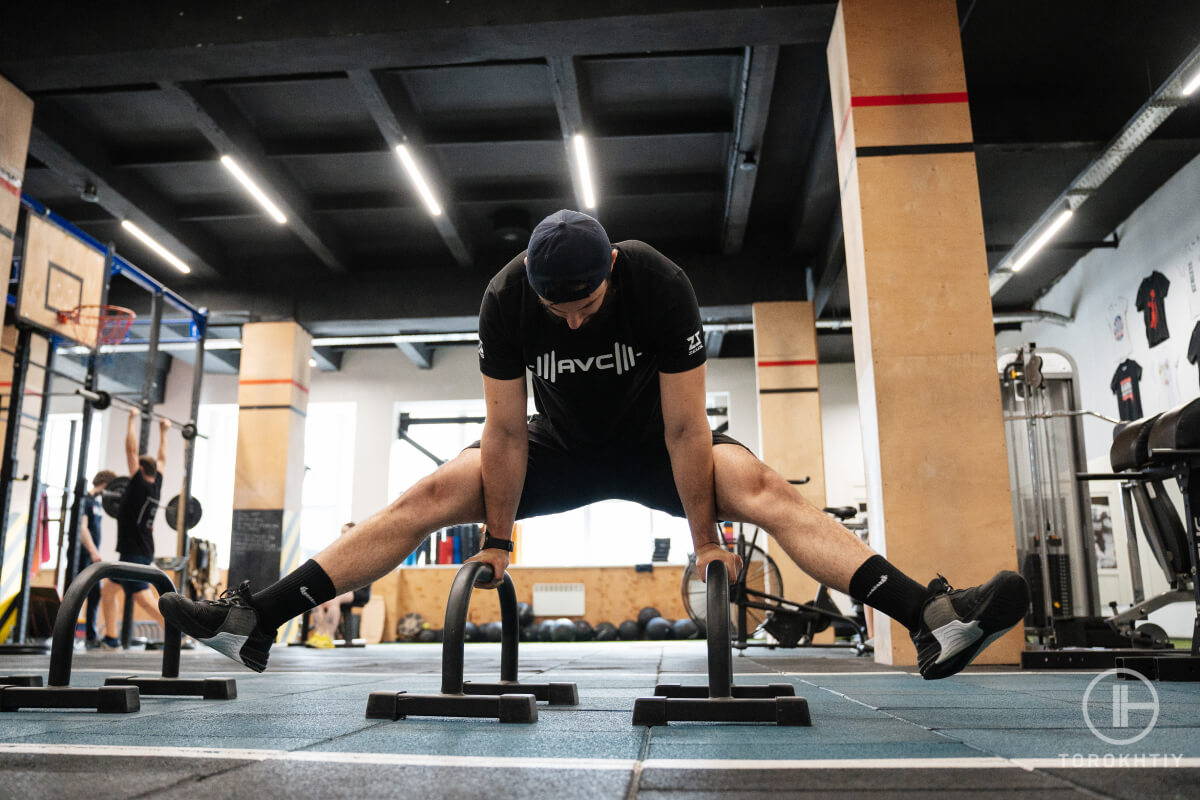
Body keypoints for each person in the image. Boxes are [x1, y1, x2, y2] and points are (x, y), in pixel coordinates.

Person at [161, 209, 1030, 678]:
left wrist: (704, 544)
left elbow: (688, 424)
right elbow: (503, 432)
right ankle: (256, 621)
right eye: (558, 308)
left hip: (659, 442)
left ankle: (933, 620)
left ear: (610, 269)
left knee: (764, 484)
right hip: (556, 448)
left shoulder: (656, 282)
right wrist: (499, 541)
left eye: (582, 303)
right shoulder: (508, 300)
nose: (571, 318)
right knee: (425, 497)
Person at [101, 408, 167, 647]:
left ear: (140, 469)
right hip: (140, 549)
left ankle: (176, 633)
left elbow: (130, 450)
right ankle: (110, 637)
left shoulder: (138, 484)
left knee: (144, 600)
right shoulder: (156, 483)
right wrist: (164, 431)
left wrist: (131, 418)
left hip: (134, 552)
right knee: (108, 590)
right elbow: (163, 458)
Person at [304, 522, 371, 649]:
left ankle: (329, 636)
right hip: (342, 588)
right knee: (317, 599)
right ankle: (319, 634)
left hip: (359, 590)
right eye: (342, 533)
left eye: (347, 533)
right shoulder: (339, 551)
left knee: (334, 598)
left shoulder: (363, 550)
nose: (343, 536)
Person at [78, 469, 117, 648]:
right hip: (81, 555)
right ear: (106, 484)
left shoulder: (98, 504)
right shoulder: (84, 500)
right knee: (76, 596)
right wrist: (93, 551)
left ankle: (90, 637)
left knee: (95, 595)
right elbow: (82, 529)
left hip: (92, 557)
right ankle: (67, 635)